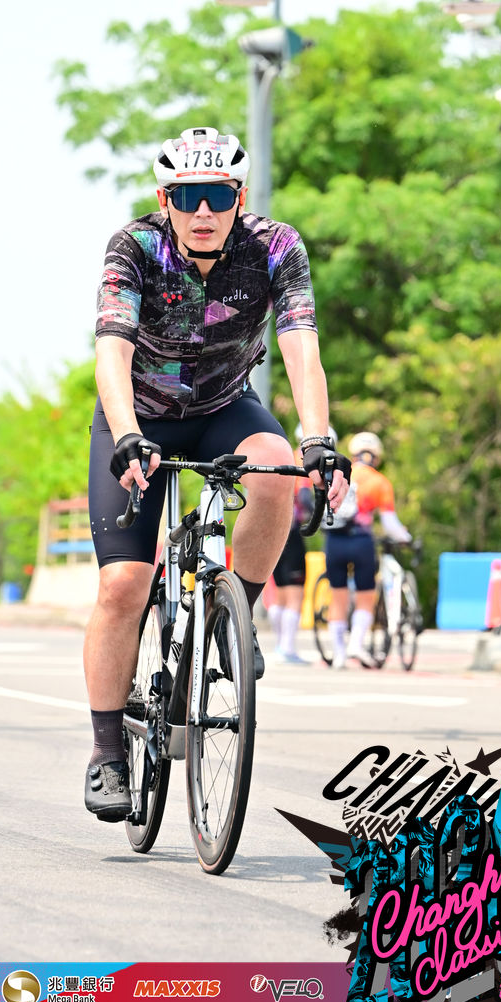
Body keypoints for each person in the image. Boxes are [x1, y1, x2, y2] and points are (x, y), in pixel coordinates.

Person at [83, 126, 351, 821]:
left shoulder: (276, 247)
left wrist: (318, 440)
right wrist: (128, 435)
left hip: (225, 406)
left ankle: (237, 622)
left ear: (240, 197)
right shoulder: (134, 247)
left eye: (218, 196)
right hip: (139, 414)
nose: (202, 211)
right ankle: (107, 753)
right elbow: (111, 351)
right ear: (164, 200)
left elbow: (300, 344)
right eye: (187, 197)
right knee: (123, 584)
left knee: (278, 469)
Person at [324, 431, 411, 669]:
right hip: (362, 542)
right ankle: (356, 644)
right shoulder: (379, 482)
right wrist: (406, 538)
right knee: (365, 596)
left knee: (338, 598)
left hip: (334, 541)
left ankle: (339, 655)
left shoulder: (340, 476)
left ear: (353, 454)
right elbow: (390, 524)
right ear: (377, 457)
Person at [268, 425, 335, 665]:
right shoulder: (308, 460)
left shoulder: (283, 454)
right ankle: (287, 648)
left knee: (280, 592)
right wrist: (316, 516)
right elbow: (306, 496)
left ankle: (279, 645)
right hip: (291, 531)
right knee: (295, 592)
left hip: (271, 529)